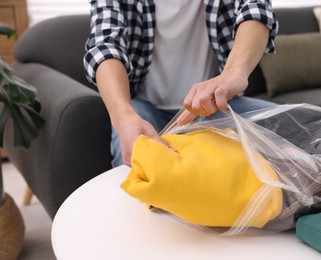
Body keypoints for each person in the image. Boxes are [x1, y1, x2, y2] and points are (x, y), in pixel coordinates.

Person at [83, 0, 279, 167]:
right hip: (144, 108)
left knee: (301, 129)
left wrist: (234, 72)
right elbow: (105, 43)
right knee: (140, 167)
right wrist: (123, 116)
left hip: (214, 104)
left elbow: (256, 9)